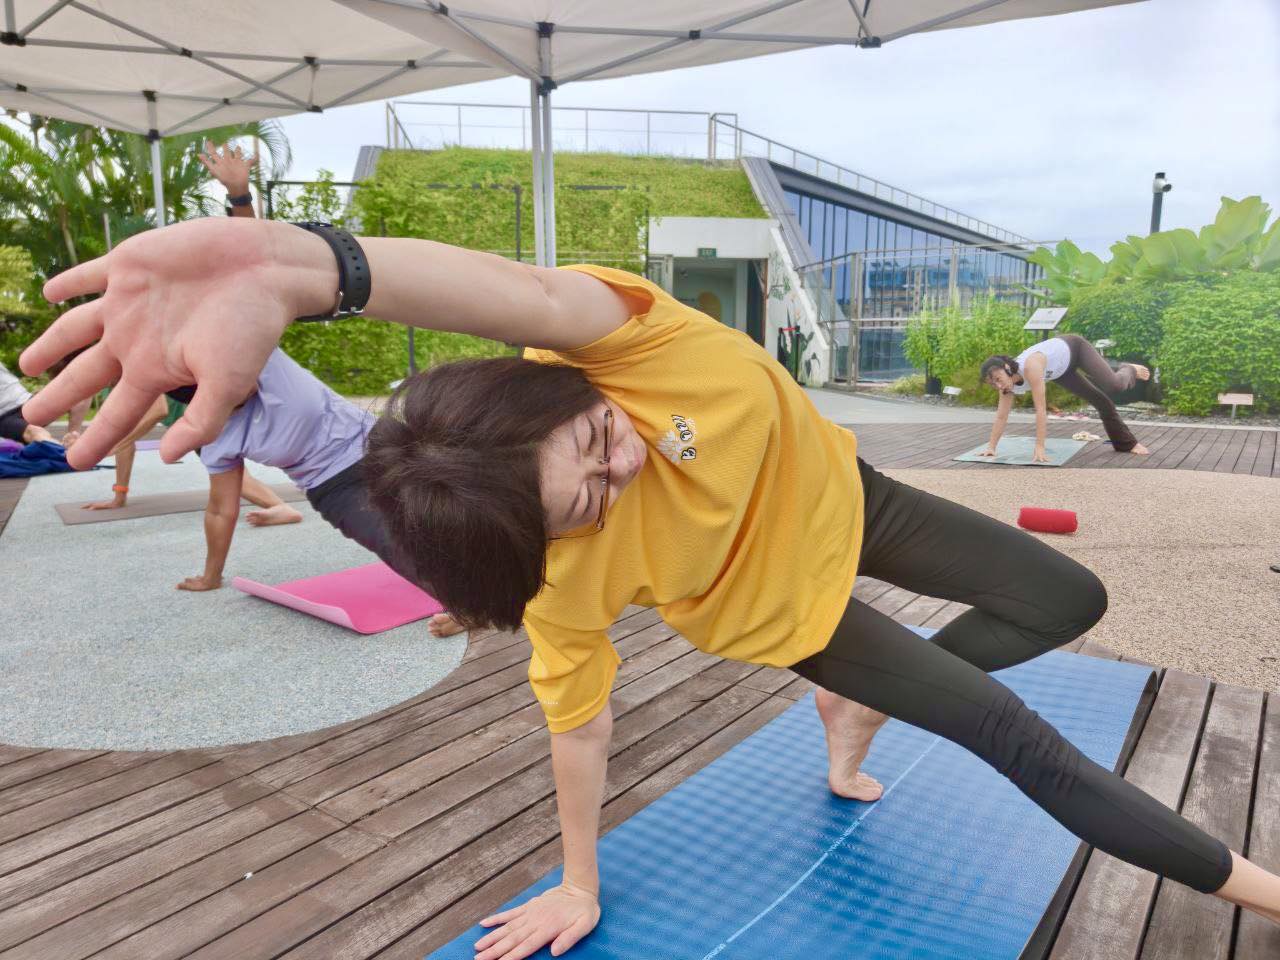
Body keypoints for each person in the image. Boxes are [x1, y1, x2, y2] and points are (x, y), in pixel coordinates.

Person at [18, 218, 1280, 960]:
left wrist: (303, 259)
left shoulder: (632, 344)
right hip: (798, 616)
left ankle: (860, 716)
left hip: (852, 500)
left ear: (562, 388)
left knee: (1063, 600)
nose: (618, 472)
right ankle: (1241, 875)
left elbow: (513, 291)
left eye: (597, 445)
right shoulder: (566, 569)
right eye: (589, 497)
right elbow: (578, 725)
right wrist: (577, 881)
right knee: (1015, 740)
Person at [180, 346, 463, 638]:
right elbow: (220, 510)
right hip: (333, 486)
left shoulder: (266, 360)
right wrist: (211, 576)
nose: (239, 376)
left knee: (457, 500)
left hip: (379, 441)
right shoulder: (216, 438)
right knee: (395, 542)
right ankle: (468, 603)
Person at [980, 335, 1150, 463]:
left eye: (998, 379)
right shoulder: (1007, 387)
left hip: (1075, 349)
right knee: (1101, 401)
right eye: (993, 384)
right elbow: (1001, 417)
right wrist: (991, 448)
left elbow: (1040, 410)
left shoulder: (1031, 367)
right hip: (1061, 371)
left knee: (1114, 386)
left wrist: (1039, 447)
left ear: (1007, 368)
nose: (998, 386)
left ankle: (1128, 369)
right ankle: (1126, 444)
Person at [0, 359, 55, 446]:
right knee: (31, 434)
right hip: (26, 402)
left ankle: (62, 452)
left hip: (9, 414)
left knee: (31, 433)